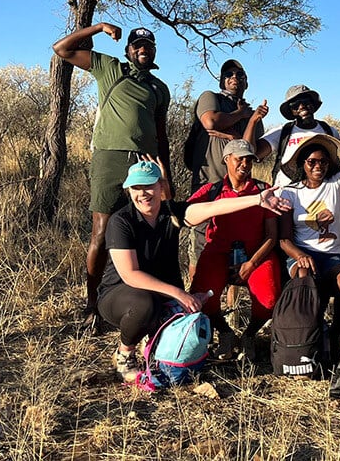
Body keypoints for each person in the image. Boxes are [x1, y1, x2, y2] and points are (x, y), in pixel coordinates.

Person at [98, 159, 291, 381]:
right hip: (120, 294)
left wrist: (257, 200)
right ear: (129, 190)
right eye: (136, 188)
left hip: (161, 293)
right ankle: (125, 354)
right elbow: (130, 274)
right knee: (144, 305)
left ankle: (153, 343)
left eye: (149, 186)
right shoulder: (121, 221)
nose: (143, 194)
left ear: (161, 186)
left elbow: (212, 207)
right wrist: (179, 293)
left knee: (189, 319)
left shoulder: (172, 213)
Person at [52, 22, 171, 329]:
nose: (143, 49)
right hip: (110, 158)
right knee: (101, 232)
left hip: (145, 165)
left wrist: (165, 175)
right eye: (137, 45)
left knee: (142, 231)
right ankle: (93, 304)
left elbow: (162, 136)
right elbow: (61, 49)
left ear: (155, 52)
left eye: (149, 45)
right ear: (128, 50)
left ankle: (135, 299)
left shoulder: (160, 88)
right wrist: (98, 27)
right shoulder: (109, 67)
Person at [188, 139, 284, 362]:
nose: (244, 164)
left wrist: (251, 264)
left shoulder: (263, 190)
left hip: (255, 254)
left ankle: (250, 334)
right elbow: (186, 212)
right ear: (226, 160)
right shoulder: (212, 191)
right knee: (202, 297)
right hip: (219, 252)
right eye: (238, 158)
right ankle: (225, 332)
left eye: (249, 159)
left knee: (269, 300)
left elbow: (272, 236)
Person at [278, 134, 340, 356]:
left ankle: (336, 330)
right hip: (302, 252)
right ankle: (308, 335)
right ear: (303, 164)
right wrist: (299, 254)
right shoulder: (290, 193)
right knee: (305, 276)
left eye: (323, 161)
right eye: (312, 161)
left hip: (332, 253)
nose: (318, 166)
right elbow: (283, 239)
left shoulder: (335, 184)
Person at [183, 59, 264, 277]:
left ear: (246, 83)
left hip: (238, 187)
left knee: (236, 238)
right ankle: (196, 295)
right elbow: (210, 122)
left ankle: (231, 300)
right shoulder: (211, 98)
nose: (234, 78)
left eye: (240, 75)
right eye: (228, 74)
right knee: (201, 236)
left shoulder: (252, 115)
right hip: (209, 180)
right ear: (221, 80)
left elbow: (251, 149)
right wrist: (241, 116)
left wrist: (235, 134)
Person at [250, 84, 339, 186]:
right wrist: (253, 121)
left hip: (321, 195)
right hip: (286, 194)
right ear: (291, 111)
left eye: (306, 102)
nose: (302, 107)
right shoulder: (283, 132)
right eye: (295, 105)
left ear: (313, 104)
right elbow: (253, 153)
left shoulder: (329, 131)